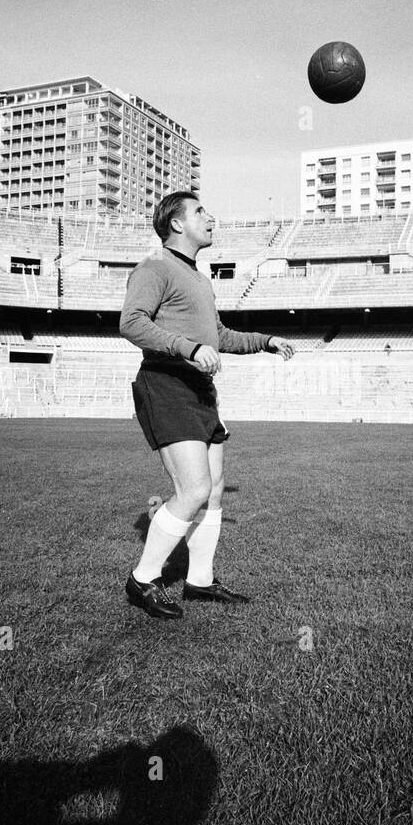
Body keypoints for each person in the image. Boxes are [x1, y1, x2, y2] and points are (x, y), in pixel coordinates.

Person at [119, 191, 294, 619]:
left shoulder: (198, 278)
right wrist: (188, 348)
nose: (210, 218)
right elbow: (131, 322)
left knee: (214, 492)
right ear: (177, 224)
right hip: (166, 385)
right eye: (200, 212)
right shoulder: (154, 267)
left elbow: (218, 336)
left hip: (199, 390)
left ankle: (199, 580)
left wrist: (265, 342)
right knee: (193, 490)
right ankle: (142, 580)